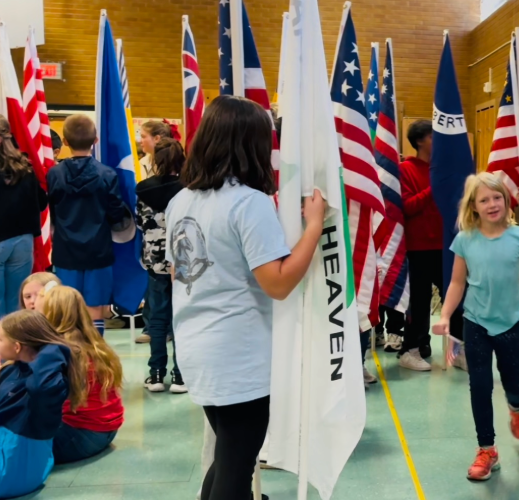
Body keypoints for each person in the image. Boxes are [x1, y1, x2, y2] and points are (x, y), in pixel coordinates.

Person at [166, 95, 325, 500]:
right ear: (250, 144)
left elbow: (178, 270)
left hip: (196, 345)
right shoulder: (248, 202)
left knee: (229, 456)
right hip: (237, 354)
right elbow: (278, 282)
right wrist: (314, 227)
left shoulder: (181, 200)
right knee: (236, 468)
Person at [431, 172, 519, 481]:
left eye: (497, 197)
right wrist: (446, 315)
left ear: (506, 200)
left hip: (511, 323)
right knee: (480, 385)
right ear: (474, 206)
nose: (492, 204)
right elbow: (457, 282)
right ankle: (487, 449)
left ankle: (517, 409)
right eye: (484, 199)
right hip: (475, 322)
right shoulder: (465, 239)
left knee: (515, 380)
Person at [47, 114, 135, 337]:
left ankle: (71, 360)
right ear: (95, 140)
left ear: (65, 142)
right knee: (96, 308)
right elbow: (116, 213)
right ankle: (94, 361)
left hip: (66, 251)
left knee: (67, 310)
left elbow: (51, 211)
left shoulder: (54, 174)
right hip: (99, 250)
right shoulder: (107, 174)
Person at [398, 120, 464, 370]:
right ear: (419, 141)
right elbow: (407, 207)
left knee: (456, 296)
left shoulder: (444, 169)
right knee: (419, 300)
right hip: (418, 248)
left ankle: (457, 350)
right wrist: (432, 190)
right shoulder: (405, 169)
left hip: (447, 245)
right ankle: (411, 349)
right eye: (433, 137)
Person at [0, 310, 86, 498]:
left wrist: (54, 347)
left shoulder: (46, 386)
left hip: (10, 471)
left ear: (16, 346)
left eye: (0, 340)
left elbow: (41, 388)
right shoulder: (14, 369)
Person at [42, 286, 124, 463]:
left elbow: (39, 394)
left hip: (80, 435)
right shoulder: (95, 343)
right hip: (108, 430)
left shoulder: (56, 350)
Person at [136, 138, 186, 393]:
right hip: (183, 262)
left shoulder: (143, 189)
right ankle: (180, 375)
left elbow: (140, 224)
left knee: (157, 318)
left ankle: (156, 374)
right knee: (180, 317)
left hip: (154, 262)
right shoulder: (189, 189)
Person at [0, 116, 47, 316]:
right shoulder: (24, 165)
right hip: (22, 241)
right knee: (17, 302)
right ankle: (15, 344)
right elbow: (42, 202)